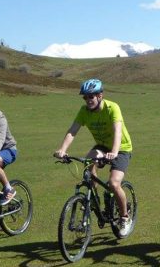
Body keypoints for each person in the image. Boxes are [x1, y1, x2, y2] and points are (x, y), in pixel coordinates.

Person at [54, 78, 133, 235]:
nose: (88, 100)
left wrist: (115, 152)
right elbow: (73, 130)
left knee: (114, 183)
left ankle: (124, 217)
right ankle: (93, 197)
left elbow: (118, 130)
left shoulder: (112, 108)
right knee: (88, 163)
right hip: (103, 146)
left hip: (121, 148)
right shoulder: (84, 111)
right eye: (85, 97)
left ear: (100, 95)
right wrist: (62, 150)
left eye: (91, 96)